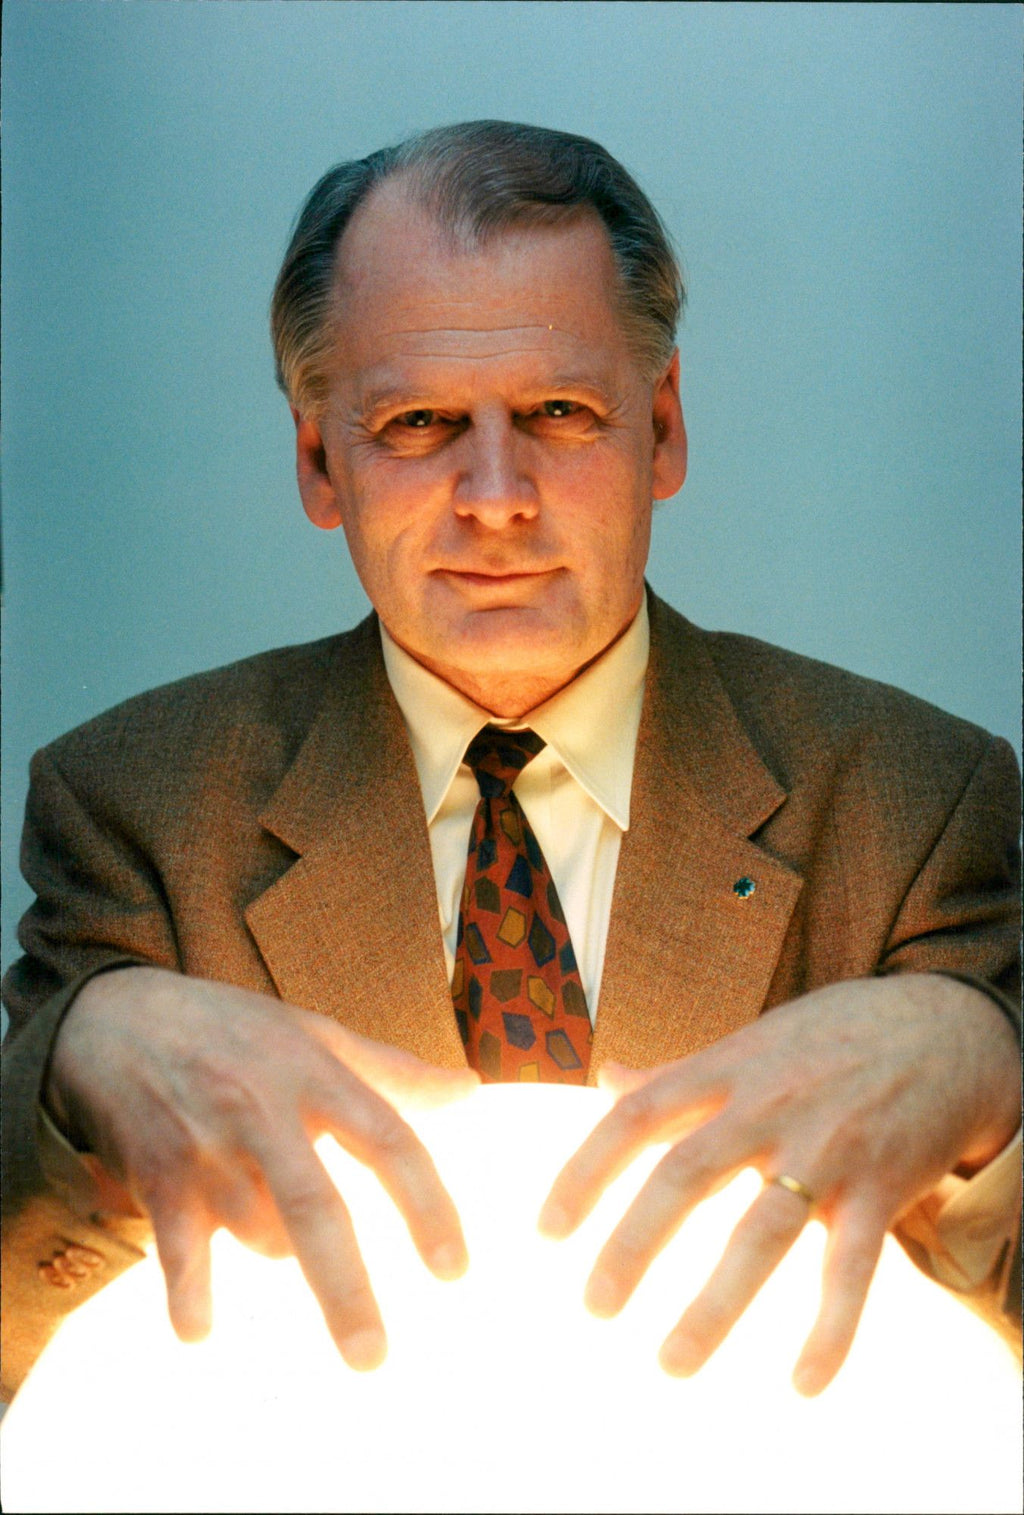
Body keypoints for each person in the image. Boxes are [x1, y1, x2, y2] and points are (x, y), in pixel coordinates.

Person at [2, 120, 1019, 1404]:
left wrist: (997, 1101)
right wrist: (71, 1082)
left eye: (560, 413)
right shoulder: (138, 808)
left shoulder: (910, 801)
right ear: (319, 461)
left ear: (663, 429)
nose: (496, 495)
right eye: (419, 422)